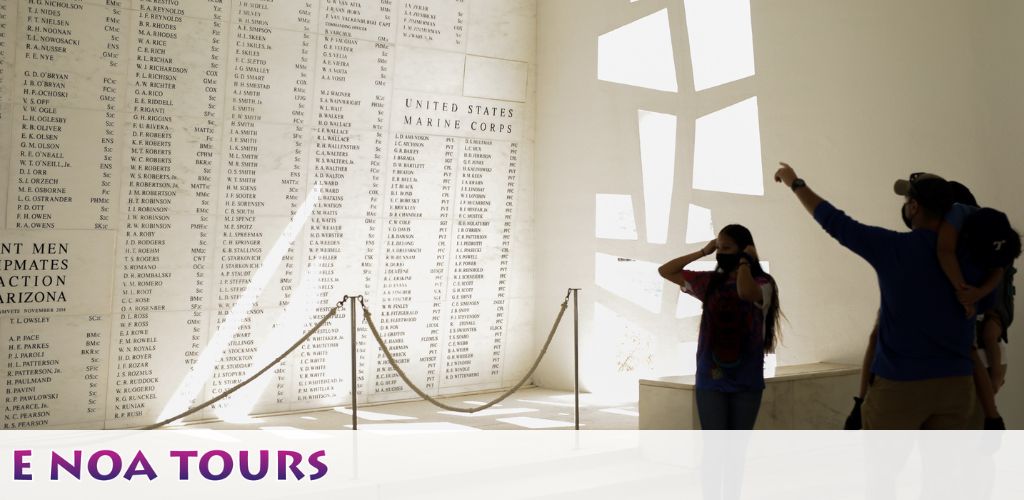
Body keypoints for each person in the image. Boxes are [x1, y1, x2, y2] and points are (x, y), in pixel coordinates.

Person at [775, 164, 986, 429]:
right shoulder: (971, 258)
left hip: (900, 385)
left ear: (914, 207)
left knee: (882, 470)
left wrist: (795, 183)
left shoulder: (893, 248)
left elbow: (835, 222)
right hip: (957, 384)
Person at [658, 225, 781, 430]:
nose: (721, 254)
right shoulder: (709, 282)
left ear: (743, 250)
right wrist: (703, 252)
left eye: (727, 248)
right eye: (719, 249)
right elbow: (666, 270)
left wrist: (744, 262)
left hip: (746, 380)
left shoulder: (763, 282)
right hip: (711, 380)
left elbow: (745, 292)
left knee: (736, 450)